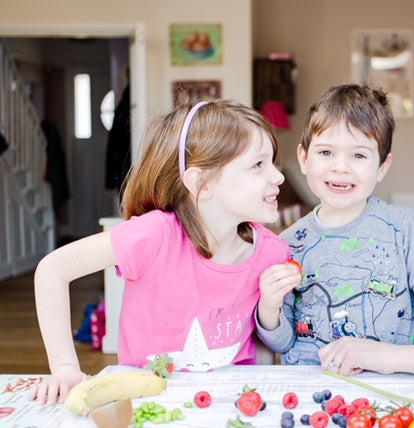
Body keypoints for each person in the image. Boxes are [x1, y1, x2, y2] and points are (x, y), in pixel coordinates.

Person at [29, 98, 291, 405]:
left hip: (228, 405)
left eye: (272, 161)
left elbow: (260, 345)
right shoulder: (153, 235)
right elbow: (53, 270)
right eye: (258, 165)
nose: (278, 176)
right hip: (145, 402)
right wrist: (64, 368)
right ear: (201, 183)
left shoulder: (273, 252)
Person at [255, 84, 414, 391]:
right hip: (313, 390)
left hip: (396, 388)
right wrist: (269, 306)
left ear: (382, 166)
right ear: (304, 158)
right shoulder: (287, 244)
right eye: (326, 152)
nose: (340, 167)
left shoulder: (403, 228)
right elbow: (281, 342)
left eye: (359, 155)